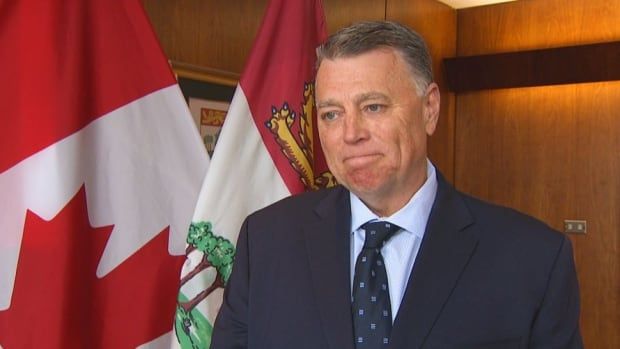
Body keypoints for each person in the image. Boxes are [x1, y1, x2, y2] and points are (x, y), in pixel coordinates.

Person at [210, 21, 582, 349]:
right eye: (331, 114)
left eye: (373, 107)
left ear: (429, 109)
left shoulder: (533, 259)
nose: (350, 134)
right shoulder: (267, 240)